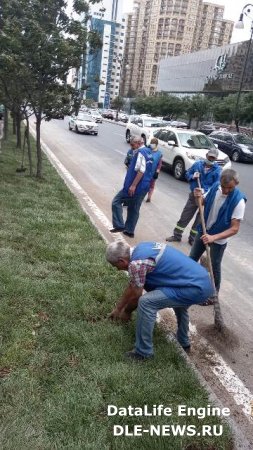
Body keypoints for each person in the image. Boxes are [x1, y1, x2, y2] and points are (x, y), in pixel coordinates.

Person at [106, 240, 213, 361]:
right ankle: (184, 342)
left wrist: (127, 312)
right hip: (200, 281)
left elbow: (136, 296)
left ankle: (143, 352)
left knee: (146, 303)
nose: (117, 269)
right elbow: (133, 285)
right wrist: (118, 308)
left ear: (121, 261)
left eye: (115, 266)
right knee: (178, 302)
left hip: (195, 288)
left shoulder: (136, 264)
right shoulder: (142, 248)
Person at [190, 169, 246, 300]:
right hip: (204, 231)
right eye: (224, 187)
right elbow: (202, 202)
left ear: (236, 183)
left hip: (218, 240)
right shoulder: (216, 187)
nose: (226, 190)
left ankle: (213, 296)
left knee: (214, 267)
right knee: (191, 259)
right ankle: (187, 283)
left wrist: (213, 237)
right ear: (220, 182)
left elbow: (234, 229)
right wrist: (198, 196)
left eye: (230, 188)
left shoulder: (239, 201)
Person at [166, 148, 221, 246]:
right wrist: (193, 176)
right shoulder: (197, 164)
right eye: (210, 157)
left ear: (216, 158)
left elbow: (216, 186)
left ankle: (192, 239)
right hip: (194, 195)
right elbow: (187, 174)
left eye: (213, 158)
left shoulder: (217, 170)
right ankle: (177, 235)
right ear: (206, 155)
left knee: (200, 220)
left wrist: (205, 191)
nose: (211, 159)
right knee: (185, 216)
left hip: (206, 199)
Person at [110, 136, 153, 238]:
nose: (131, 147)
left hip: (136, 186)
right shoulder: (148, 152)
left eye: (132, 145)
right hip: (144, 185)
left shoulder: (141, 153)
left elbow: (141, 170)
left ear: (138, 143)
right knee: (134, 208)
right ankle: (129, 231)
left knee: (116, 201)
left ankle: (119, 225)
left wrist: (133, 185)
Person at [146, 137, 163, 203]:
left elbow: (159, 164)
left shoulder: (159, 154)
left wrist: (157, 172)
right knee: (144, 184)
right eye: (151, 143)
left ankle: (149, 197)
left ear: (156, 144)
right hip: (146, 171)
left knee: (152, 185)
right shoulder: (147, 150)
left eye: (153, 144)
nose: (151, 145)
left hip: (153, 172)